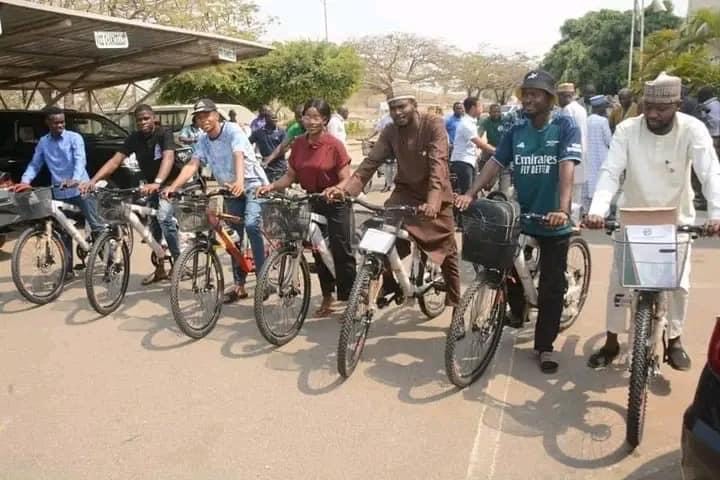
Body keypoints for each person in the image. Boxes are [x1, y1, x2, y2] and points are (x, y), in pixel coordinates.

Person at [586, 72, 720, 371]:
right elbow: (611, 171)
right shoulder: (627, 130)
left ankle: (673, 341)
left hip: (677, 219)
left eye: (661, 108)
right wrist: (597, 209)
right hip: (633, 217)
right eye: (648, 106)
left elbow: (710, 173)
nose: (653, 114)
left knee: (679, 286)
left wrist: (716, 214)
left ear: (677, 104)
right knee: (619, 284)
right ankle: (611, 341)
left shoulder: (693, 129)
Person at [456, 70, 582, 374]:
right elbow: (496, 163)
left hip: (554, 219)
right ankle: (517, 310)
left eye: (536, 93)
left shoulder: (565, 126)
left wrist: (562, 209)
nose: (528, 98)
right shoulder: (516, 129)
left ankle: (544, 345)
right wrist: (471, 194)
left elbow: (567, 167)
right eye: (525, 93)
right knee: (506, 264)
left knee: (552, 285)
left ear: (549, 99)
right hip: (522, 214)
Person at [327, 80, 461, 310]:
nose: (397, 113)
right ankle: (391, 282)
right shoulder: (390, 131)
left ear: (414, 104)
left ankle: (455, 301)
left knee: (446, 246)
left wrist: (433, 201)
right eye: (393, 108)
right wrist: (344, 190)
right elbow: (370, 164)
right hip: (405, 192)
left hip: (435, 194)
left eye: (402, 107)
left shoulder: (432, 124)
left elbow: (439, 165)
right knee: (382, 234)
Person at [257, 99, 356, 317]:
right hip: (312, 200)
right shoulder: (299, 143)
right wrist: (271, 186)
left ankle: (352, 300)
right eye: (307, 116)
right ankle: (328, 299)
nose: (310, 121)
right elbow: (290, 175)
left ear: (325, 120)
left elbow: (345, 179)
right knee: (318, 252)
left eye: (315, 117)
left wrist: (335, 190)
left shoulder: (334, 145)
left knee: (341, 250)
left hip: (335, 202)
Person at [164, 98, 268, 302]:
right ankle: (239, 285)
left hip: (252, 184)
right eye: (199, 118)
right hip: (230, 189)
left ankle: (262, 279)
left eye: (207, 116)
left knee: (252, 226)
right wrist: (173, 187)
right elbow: (193, 164)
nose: (204, 121)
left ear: (216, 115)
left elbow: (238, 154)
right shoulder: (203, 140)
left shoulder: (232, 130)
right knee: (233, 238)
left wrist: (239, 180)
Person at [81, 104, 181, 285]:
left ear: (153, 118)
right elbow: (115, 161)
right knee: (154, 228)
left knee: (164, 218)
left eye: (146, 118)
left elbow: (168, 157)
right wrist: (93, 180)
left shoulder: (163, 133)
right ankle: (160, 269)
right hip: (152, 184)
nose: (143, 122)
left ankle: (179, 262)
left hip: (169, 182)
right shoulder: (134, 138)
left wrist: (158, 183)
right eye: (139, 120)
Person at [15, 106, 104, 281]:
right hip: (59, 192)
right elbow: (35, 164)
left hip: (81, 189)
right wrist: (25, 181)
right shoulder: (43, 142)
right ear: (47, 123)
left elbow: (80, 160)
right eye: (55, 122)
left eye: (62, 122)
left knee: (96, 226)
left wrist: (75, 179)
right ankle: (68, 270)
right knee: (64, 231)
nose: (60, 125)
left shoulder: (74, 138)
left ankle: (109, 261)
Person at [450, 97, 495, 227]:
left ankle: (464, 220)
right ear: (474, 107)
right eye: (480, 106)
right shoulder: (466, 124)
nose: (482, 109)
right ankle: (463, 222)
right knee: (467, 192)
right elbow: (480, 143)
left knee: (469, 191)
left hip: (468, 160)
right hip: (463, 161)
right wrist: (498, 152)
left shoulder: (471, 122)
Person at [558, 82, 588, 219]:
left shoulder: (567, 110)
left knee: (568, 194)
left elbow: (563, 136)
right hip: (582, 155)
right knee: (577, 196)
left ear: (565, 96)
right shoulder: (581, 109)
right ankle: (575, 224)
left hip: (570, 157)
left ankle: (571, 224)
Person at [584, 95, 612, 211]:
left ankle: (587, 211)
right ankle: (602, 212)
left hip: (589, 157)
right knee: (601, 185)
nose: (605, 110)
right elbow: (609, 140)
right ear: (600, 107)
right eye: (604, 107)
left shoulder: (587, 120)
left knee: (590, 184)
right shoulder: (603, 121)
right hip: (601, 158)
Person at [249, 112, 287, 182]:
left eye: (276, 118)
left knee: (280, 190)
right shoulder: (258, 133)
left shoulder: (282, 132)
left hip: (279, 166)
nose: (275, 119)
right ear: (266, 119)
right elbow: (247, 144)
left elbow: (284, 148)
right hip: (265, 168)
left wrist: (269, 159)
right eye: (272, 117)